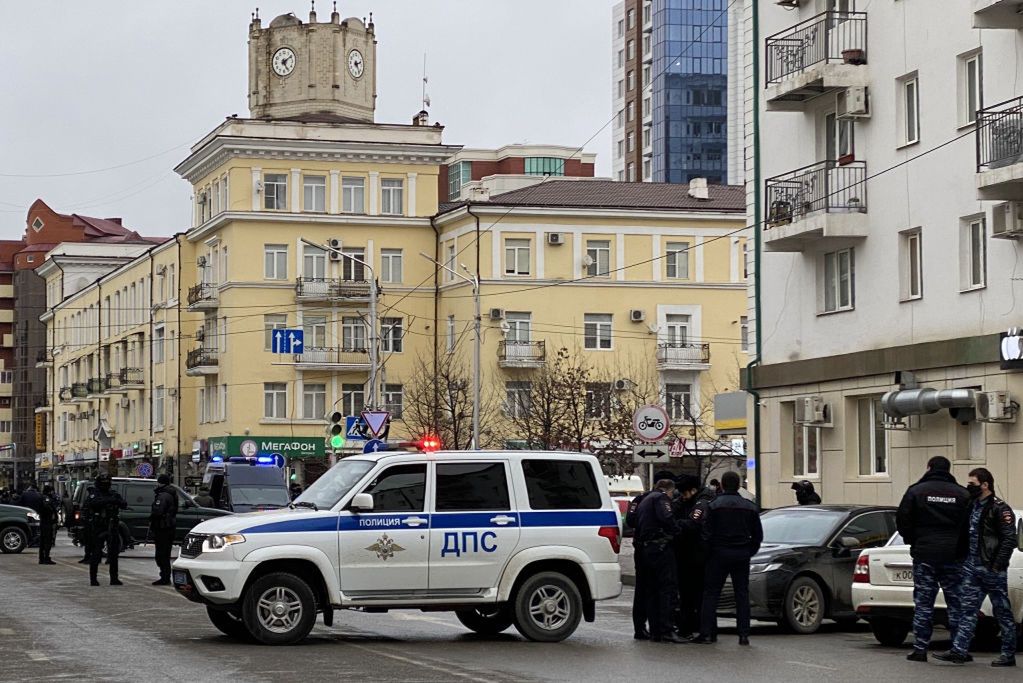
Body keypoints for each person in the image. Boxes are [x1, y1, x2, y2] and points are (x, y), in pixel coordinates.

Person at [934, 468, 1017, 667]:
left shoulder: (1000, 508)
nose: (969, 487)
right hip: (971, 567)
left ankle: (1008, 654)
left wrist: (997, 566)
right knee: (967, 610)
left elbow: (1009, 540)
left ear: (985, 485)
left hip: (991, 569)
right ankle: (959, 651)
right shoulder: (972, 506)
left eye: (973, 484)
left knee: (1002, 612)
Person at [895, 455, 971, 663]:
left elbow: (902, 520)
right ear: (948, 470)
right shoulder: (962, 494)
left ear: (929, 468)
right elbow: (969, 527)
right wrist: (960, 549)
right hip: (953, 556)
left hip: (925, 554)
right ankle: (959, 648)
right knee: (956, 603)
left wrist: (915, 542)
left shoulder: (916, 491)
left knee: (924, 603)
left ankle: (920, 649)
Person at [693, 471, 762, 646]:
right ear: (739, 485)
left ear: (722, 485)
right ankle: (744, 634)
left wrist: (708, 553)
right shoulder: (749, 506)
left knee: (711, 594)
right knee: (741, 595)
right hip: (741, 554)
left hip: (718, 554)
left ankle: (707, 633)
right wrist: (748, 551)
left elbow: (706, 533)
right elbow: (757, 535)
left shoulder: (714, 505)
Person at [633, 478, 683, 643]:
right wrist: (677, 530)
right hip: (660, 549)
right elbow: (667, 518)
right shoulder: (661, 498)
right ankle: (666, 630)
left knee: (651, 591)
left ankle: (655, 630)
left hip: (646, 550)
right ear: (668, 490)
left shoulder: (644, 499)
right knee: (667, 589)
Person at [673, 475, 710, 637]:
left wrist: (675, 524)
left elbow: (693, 524)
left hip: (697, 556)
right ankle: (689, 626)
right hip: (687, 555)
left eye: (684, 493)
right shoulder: (686, 502)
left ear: (693, 490)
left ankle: (695, 627)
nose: (682, 496)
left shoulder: (702, 503)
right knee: (687, 594)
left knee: (694, 595)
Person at [84, 473, 127, 586]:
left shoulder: (113, 493)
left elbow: (124, 504)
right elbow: (92, 503)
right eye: (103, 483)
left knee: (113, 554)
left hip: (112, 526)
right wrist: (109, 501)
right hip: (99, 527)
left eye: (107, 483)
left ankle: (114, 578)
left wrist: (116, 501)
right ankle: (93, 579)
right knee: (96, 553)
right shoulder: (95, 493)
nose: (105, 485)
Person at [625, 486, 653, 640]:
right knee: (652, 590)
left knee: (641, 590)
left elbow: (630, 520)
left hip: (639, 547)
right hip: (652, 548)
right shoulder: (659, 499)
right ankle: (652, 627)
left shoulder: (639, 499)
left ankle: (639, 627)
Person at [150, 474, 178, 586]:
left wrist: (153, 517)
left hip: (163, 527)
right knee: (165, 553)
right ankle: (165, 576)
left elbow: (158, 511)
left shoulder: (164, 495)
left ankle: (165, 577)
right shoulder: (171, 493)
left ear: (160, 482)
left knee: (162, 554)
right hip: (168, 526)